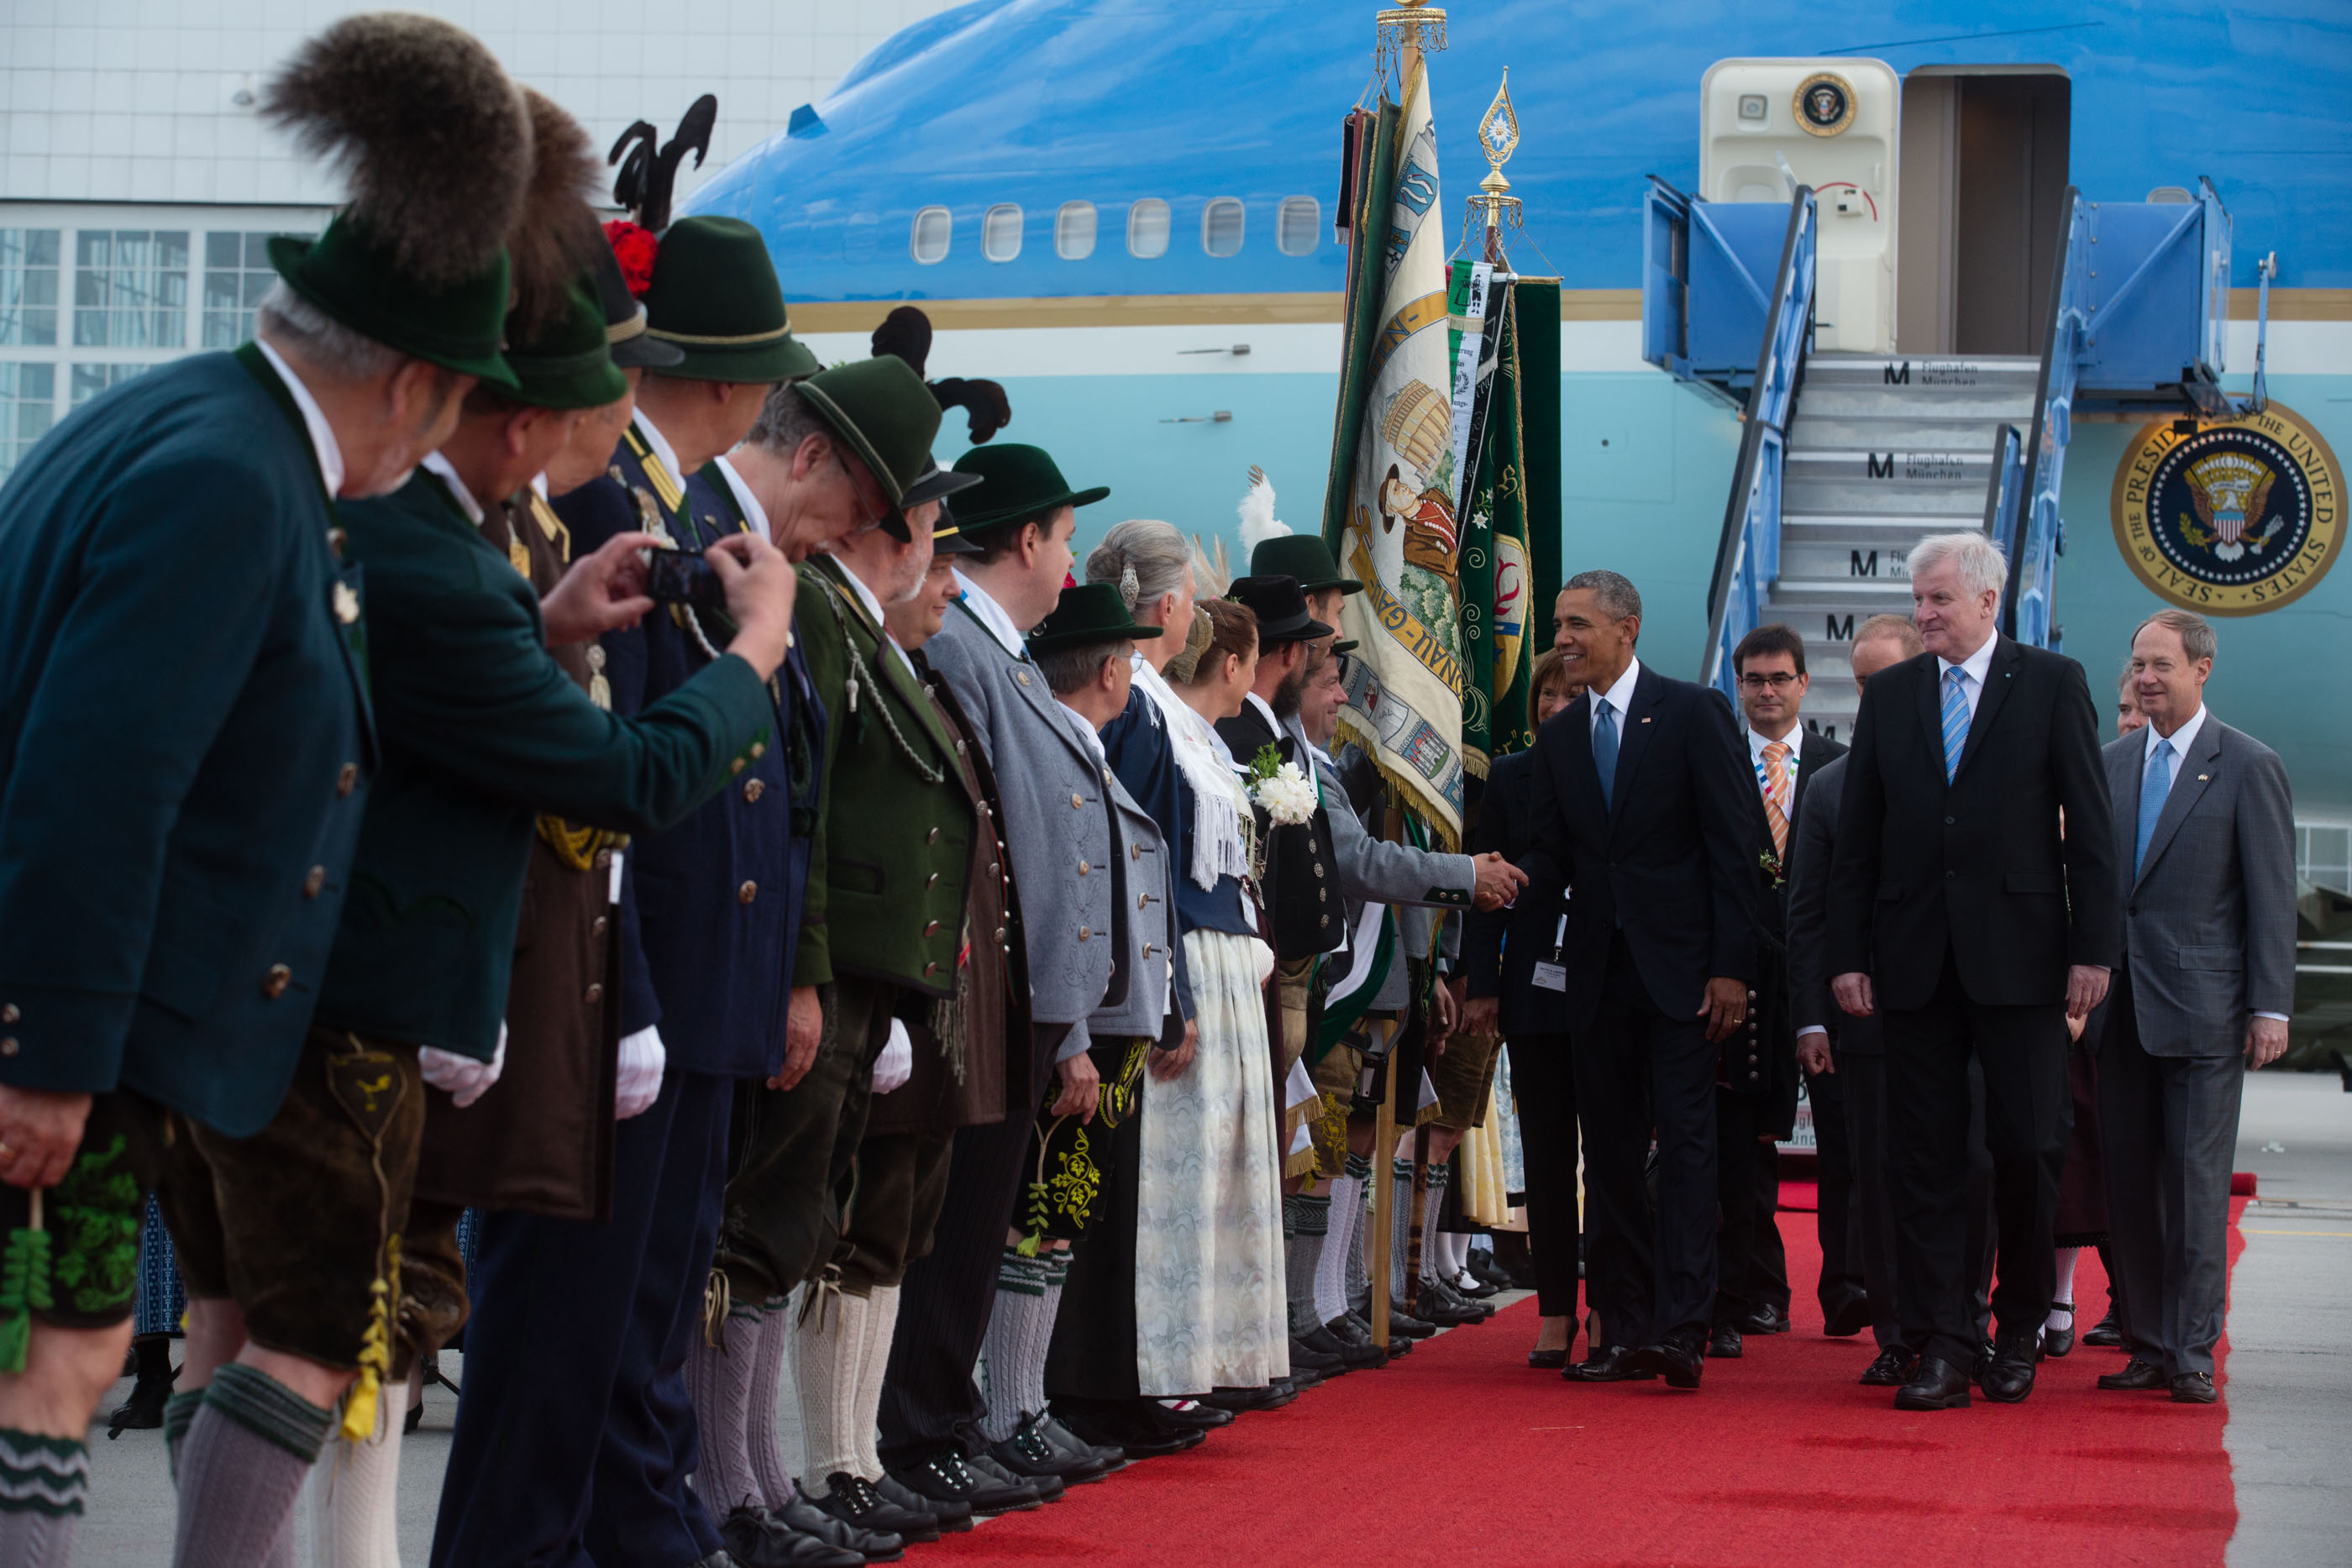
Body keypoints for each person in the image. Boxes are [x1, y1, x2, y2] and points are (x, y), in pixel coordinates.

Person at [0, 15, 528, 1561]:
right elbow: (98, 781)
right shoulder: (236, 479)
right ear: (418, 382)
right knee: (50, 1368)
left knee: (62, 1359)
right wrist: (44, 1054)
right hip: (57, 1031)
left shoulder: (168, 414)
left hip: (79, 1019)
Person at [429, 219, 851, 1568]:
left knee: (640, 1314)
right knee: (560, 1331)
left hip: (674, 980)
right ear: (735, 385)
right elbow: (624, 776)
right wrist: (643, 994)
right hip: (621, 977)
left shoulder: (679, 509)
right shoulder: (617, 506)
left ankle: (632, 1524)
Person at [688, 384, 987, 1565]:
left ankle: (754, 1474)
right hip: (820, 969)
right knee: (761, 1227)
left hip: (864, 978)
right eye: (904, 515)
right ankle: (734, 1483)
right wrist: (806, 971)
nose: (929, 555)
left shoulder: (849, 624)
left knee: (802, 1222)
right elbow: (796, 811)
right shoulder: (811, 606)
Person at [876, 441, 1125, 1519]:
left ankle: (950, 1416)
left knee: (975, 1225)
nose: (1068, 559)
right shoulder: (970, 649)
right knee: (950, 1223)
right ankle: (920, 1427)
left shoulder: (1002, 649)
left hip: (1025, 987)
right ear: (1026, 538)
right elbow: (1003, 835)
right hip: (986, 985)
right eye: (1065, 536)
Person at [1827, 531, 2119, 1411]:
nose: (1922, 616)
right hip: (1913, 960)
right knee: (1924, 1157)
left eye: (1938, 601)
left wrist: (2091, 951)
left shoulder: (2051, 685)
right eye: (1916, 600)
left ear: (1989, 602)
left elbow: (2092, 834)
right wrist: (1847, 954)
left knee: (2028, 1144)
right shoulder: (1895, 696)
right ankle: (1943, 1341)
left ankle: (2019, 1322)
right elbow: (1860, 841)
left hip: (2023, 961)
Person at [1523, 570, 1760, 1390]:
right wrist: (1486, 877)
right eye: (1558, 623)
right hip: (1595, 982)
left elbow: (1736, 850)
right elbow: (1555, 858)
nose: (1563, 637)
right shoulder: (1558, 740)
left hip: (1686, 980)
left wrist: (1733, 968)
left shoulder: (1693, 713)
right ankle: (1620, 1328)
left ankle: (1684, 1328)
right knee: (1612, 1156)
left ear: (1628, 627)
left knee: (1690, 1154)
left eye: (1578, 623)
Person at [985, 584, 1177, 1473]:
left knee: (1061, 1214)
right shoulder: (1061, 746)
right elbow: (1054, 896)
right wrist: (1067, 1035)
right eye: (1131, 660)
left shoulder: (1083, 747)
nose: (1133, 675)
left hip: (1107, 1020)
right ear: (1109, 668)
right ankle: (1011, 1409)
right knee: (1040, 1213)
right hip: (1080, 1022)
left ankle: (1024, 1405)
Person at [2095, 609, 2294, 1404]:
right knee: (2131, 1190)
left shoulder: (2247, 763)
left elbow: (2272, 897)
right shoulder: (2110, 763)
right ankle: (2145, 1341)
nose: (2146, 678)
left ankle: (2189, 1348)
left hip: (2205, 1011)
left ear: (2201, 669)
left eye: (2161, 665)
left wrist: (2271, 1006)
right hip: (2120, 1012)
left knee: (2195, 1186)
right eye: (2138, 664)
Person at [1299, 644, 1512, 1358]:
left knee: (1358, 1142)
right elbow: (1362, 862)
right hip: (1329, 978)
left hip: (1382, 975)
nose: (1341, 697)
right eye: (1330, 681)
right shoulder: (1326, 762)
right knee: (1320, 1147)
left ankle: (1337, 1299)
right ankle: (1315, 1308)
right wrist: (1463, 876)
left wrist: (1437, 965)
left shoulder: (1353, 764)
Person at [1789, 615, 1932, 1387]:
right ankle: (1898, 1333)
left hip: (1955, 1014)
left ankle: (1958, 1321)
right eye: (1862, 680)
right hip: (1866, 1026)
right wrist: (1812, 1015)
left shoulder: (1963, 768)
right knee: (1875, 1180)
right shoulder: (1831, 787)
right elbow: (1806, 912)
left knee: (1954, 1173)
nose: (1870, 693)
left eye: (1885, 679)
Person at [1710, 625, 1847, 1360]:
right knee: (1747, 1141)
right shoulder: (1719, 762)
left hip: (1822, 976)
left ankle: (1848, 1288)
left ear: (1804, 685)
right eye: (1754, 679)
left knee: (1844, 1138)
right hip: (1744, 976)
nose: (1767, 691)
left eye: (1780, 678)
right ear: (1739, 685)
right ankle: (1757, 1290)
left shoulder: (1839, 765)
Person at [1464, 648, 1583, 1368]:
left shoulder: (1622, 767)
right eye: (1546, 694)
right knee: (1544, 1149)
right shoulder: (1510, 777)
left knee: (1614, 1150)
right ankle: (1557, 1308)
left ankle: (1615, 1301)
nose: (1553, 705)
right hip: (1535, 989)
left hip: (1612, 983)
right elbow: (1484, 889)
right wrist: (1482, 983)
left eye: (1571, 694)